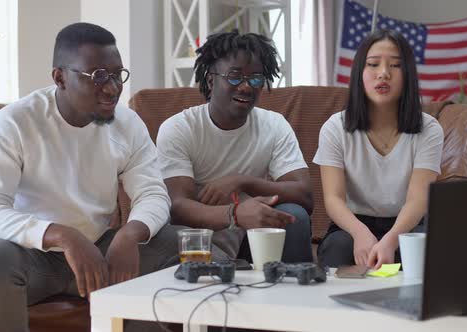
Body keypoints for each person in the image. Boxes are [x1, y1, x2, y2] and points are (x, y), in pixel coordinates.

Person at [0, 22, 179, 332]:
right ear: (59, 77)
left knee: (185, 248)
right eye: (98, 76)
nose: (112, 88)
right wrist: (65, 237)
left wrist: (130, 234)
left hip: (103, 253)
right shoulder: (15, 123)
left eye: (117, 75)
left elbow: (153, 194)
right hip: (33, 258)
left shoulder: (128, 123)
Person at [156, 30, 314, 265]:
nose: (246, 87)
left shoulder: (274, 125)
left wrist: (243, 181)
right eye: (235, 76)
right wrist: (235, 215)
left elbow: (304, 195)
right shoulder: (180, 128)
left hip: (252, 239)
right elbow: (178, 207)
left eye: (256, 79)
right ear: (211, 80)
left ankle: (291, 296)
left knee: (295, 215)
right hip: (199, 242)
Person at [314, 29, 443, 269]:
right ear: (359, 74)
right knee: (339, 249)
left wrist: (391, 241)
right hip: (354, 224)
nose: (383, 74)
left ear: (408, 75)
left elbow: (418, 199)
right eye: (373, 64)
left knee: (417, 252)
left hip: (408, 224)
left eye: (395, 66)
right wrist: (361, 234)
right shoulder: (334, 128)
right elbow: (333, 199)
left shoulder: (430, 129)